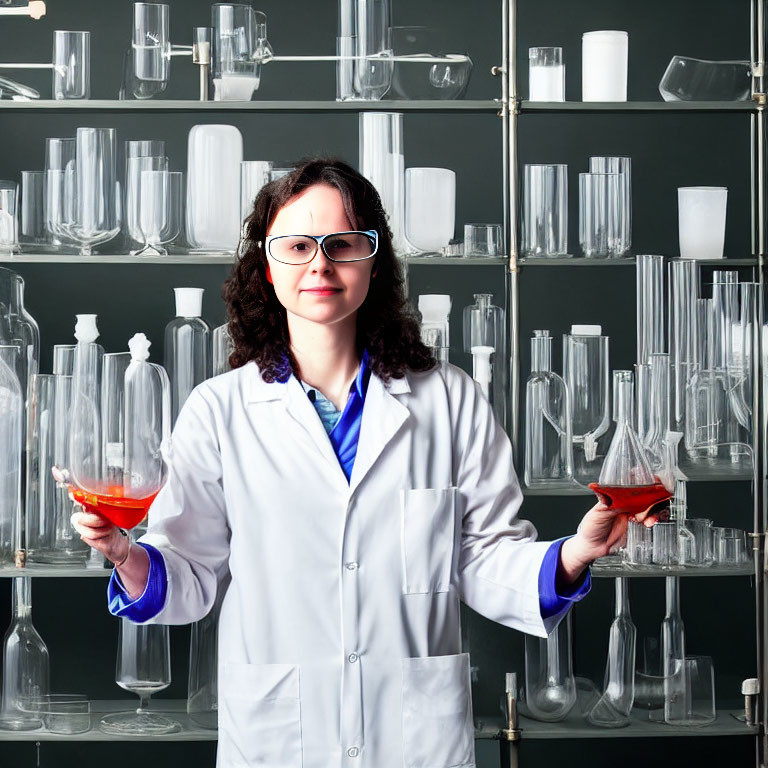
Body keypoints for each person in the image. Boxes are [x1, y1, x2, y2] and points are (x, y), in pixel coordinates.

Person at [72, 158, 659, 768]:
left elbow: (482, 557)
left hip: (415, 740)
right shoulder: (220, 410)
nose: (320, 264)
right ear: (267, 269)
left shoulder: (450, 399)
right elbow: (189, 577)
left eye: (343, 244)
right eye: (297, 246)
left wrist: (575, 552)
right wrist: (124, 553)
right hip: (279, 739)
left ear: (373, 262)